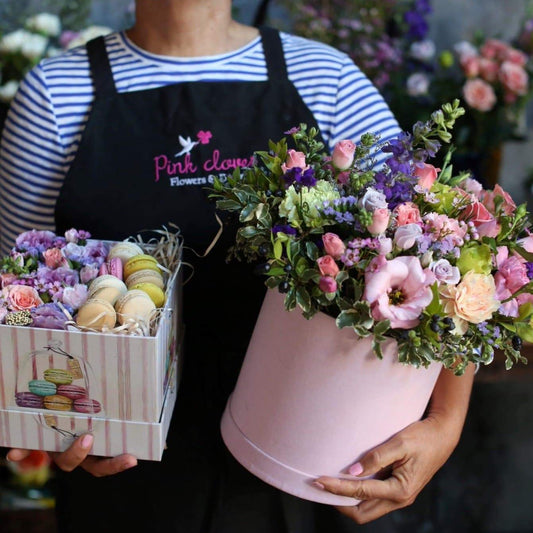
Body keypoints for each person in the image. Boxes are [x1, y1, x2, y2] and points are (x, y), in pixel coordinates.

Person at [1, 1, 475, 531]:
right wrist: (52, 428)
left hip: (313, 467)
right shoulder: (54, 96)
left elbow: (443, 253)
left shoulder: (326, 79)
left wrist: (445, 423)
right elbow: (17, 300)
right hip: (125, 475)